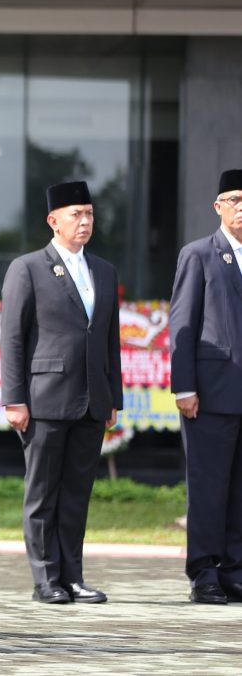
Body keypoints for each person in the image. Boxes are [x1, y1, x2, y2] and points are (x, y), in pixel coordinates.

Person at [0, 181, 122, 605]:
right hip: (44, 399)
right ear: (53, 221)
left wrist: (113, 398)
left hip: (91, 400)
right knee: (43, 494)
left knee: (76, 494)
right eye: (76, 214)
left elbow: (110, 339)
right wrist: (14, 399)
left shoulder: (103, 270)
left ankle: (73, 576)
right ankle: (46, 580)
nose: (85, 221)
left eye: (89, 214)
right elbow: (12, 338)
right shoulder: (28, 267)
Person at [170, 168, 242, 605]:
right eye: (235, 199)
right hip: (211, 393)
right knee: (209, 485)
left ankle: (235, 569)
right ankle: (204, 571)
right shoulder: (199, 254)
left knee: (240, 488)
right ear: (217, 206)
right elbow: (182, 321)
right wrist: (183, 386)